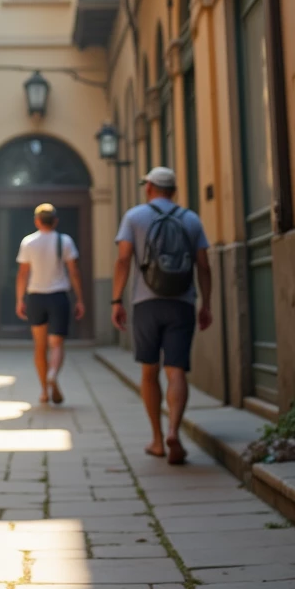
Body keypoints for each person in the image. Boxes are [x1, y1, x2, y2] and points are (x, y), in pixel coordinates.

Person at [110, 165, 211, 464]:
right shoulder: (191, 219)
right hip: (182, 302)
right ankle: (173, 430)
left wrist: (116, 300)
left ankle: (156, 440)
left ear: (150, 188)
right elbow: (204, 265)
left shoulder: (134, 216)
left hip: (146, 303)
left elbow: (123, 259)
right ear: (174, 191)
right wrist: (206, 303)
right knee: (176, 370)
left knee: (149, 371)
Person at [15, 203, 86, 405]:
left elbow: (22, 274)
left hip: (36, 296)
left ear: (37, 221)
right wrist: (80, 299)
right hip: (58, 296)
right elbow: (74, 271)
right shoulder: (65, 241)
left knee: (39, 346)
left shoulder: (28, 242)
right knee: (56, 344)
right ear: (55, 220)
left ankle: (44, 391)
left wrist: (20, 299)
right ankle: (53, 373)